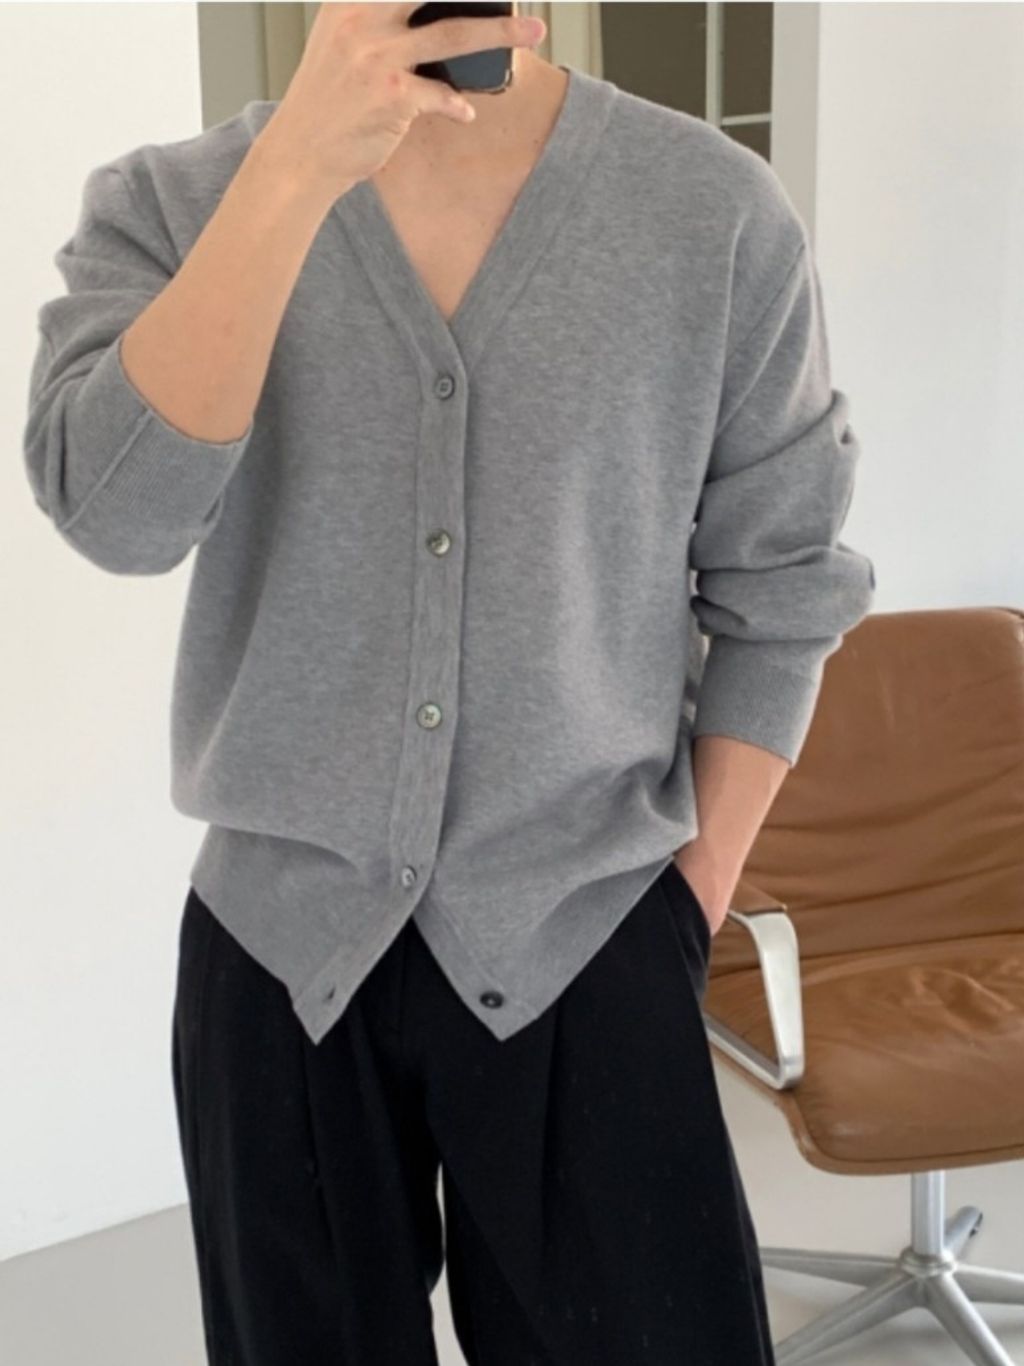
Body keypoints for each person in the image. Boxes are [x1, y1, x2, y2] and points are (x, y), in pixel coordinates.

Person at [22, 3, 875, 1362]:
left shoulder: (710, 210)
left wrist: (688, 894)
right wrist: (292, 172)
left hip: (591, 927)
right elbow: (118, 517)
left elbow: (784, 585)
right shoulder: (170, 203)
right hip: (280, 949)